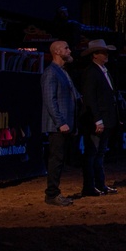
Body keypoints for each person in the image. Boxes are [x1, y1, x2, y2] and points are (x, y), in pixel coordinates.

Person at [41, 40, 80, 206]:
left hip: (65, 124)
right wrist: (60, 122)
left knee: (60, 159)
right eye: (66, 48)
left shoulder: (63, 72)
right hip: (58, 125)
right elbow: (50, 100)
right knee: (56, 159)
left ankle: (54, 192)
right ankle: (51, 194)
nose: (69, 50)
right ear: (57, 51)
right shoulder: (51, 72)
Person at [79, 39, 121, 196]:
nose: (106, 55)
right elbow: (90, 98)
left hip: (105, 118)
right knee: (93, 153)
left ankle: (100, 184)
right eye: (103, 52)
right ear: (95, 55)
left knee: (100, 153)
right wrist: (98, 119)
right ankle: (90, 186)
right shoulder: (91, 72)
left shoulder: (103, 70)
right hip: (97, 120)